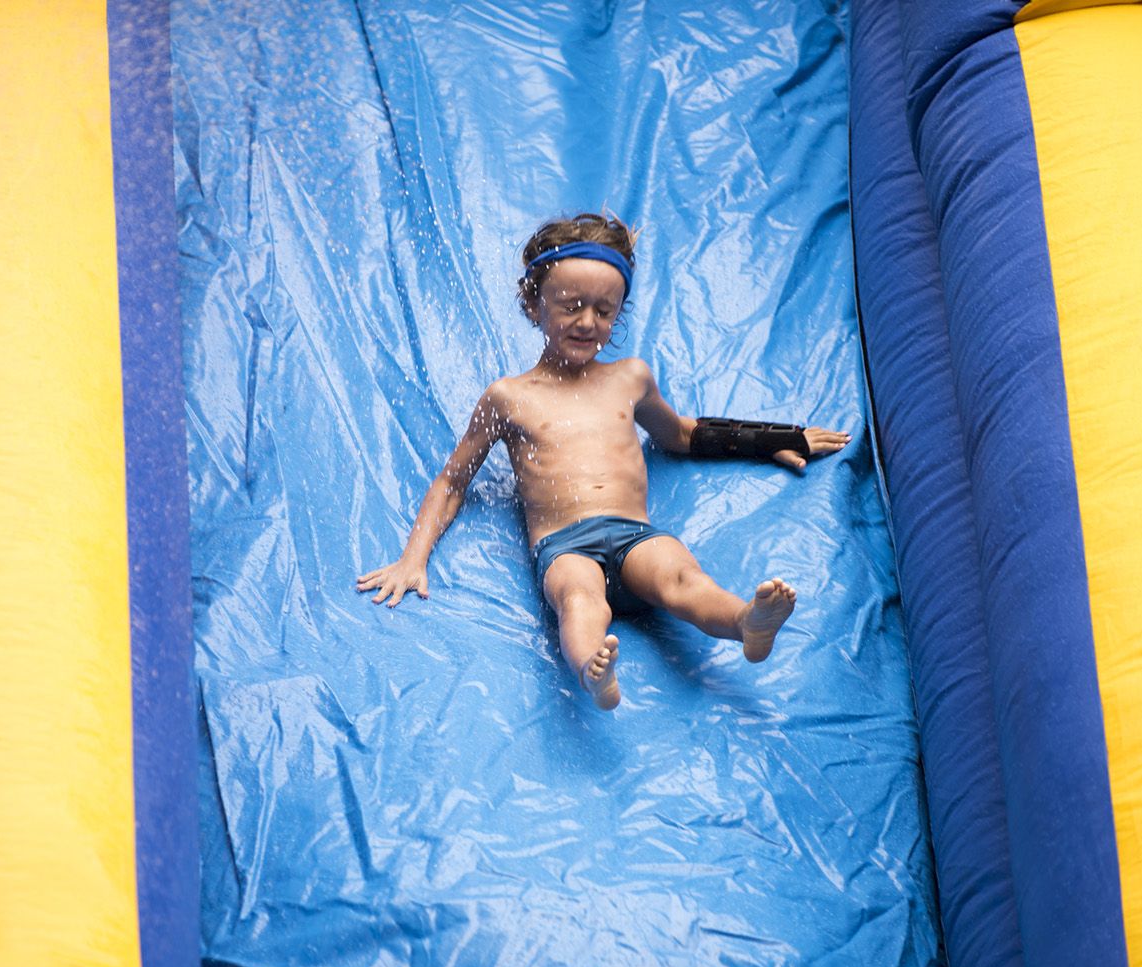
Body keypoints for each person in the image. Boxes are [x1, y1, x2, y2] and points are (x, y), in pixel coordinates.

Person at [356, 214, 850, 709]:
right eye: (571, 306)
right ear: (533, 303)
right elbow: (451, 481)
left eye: (604, 310)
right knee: (580, 598)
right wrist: (412, 559)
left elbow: (679, 434)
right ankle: (595, 670)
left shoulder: (629, 378)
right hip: (564, 544)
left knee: (684, 579)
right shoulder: (508, 397)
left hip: (636, 536)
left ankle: (745, 622)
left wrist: (774, 440)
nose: (589, 322)